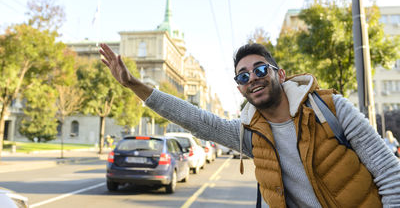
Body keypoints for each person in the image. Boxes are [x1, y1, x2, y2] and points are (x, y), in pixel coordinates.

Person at [99, 42, 400, 207]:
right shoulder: (250, 135)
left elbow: (390, 174)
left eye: (259, 69)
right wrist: (134, 86)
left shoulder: (331, 108)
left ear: (279, 74)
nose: (252, 78)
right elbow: (196, 119)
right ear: (241, 89)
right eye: (242, 76)